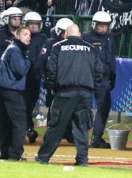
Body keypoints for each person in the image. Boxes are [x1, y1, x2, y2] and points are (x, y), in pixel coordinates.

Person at [35, 24, 99, 166]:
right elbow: (98, 72)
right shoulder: (91, 49)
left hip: (64, 92)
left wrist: (52, 87)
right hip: (85, 93)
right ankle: (82, 160)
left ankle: (43, 157)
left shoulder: (58, 47)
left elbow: (51, 70)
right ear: (80, 34)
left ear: (65, 34)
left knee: (56, 126)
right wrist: (91, 88)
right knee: (81, 128)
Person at [82, 11, 116, 149]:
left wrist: (113, 75)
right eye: (101, 26)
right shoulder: (86, 37)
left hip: (104, 78)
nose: (104, 29)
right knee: (84, 107)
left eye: (106, 26)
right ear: (94, 25)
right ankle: (82, 136)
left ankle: (97, 137)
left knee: (104, 107)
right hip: (89, 78)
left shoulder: (110, 38)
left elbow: (112, 58)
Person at [0, 26, 31, 160]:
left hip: (5, 91)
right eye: (25, 34)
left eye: (29, 35)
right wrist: (28, 60)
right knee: (19, 123)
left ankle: (6, 153)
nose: (28, 37)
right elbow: (20, 70)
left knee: (6, 124)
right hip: (12, 91)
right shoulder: (15, 50)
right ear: (17, 36)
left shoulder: (11, 49)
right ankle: (15, 154)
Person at [22, 11, 46, 144]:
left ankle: (28, 127)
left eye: (37, 24)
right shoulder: (24, 37)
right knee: (24, 104)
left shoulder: (43, 39)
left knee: (31, 103)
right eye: (32, 24)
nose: (35, 27)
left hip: (35, 77)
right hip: (23, 76)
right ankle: (28, 127)